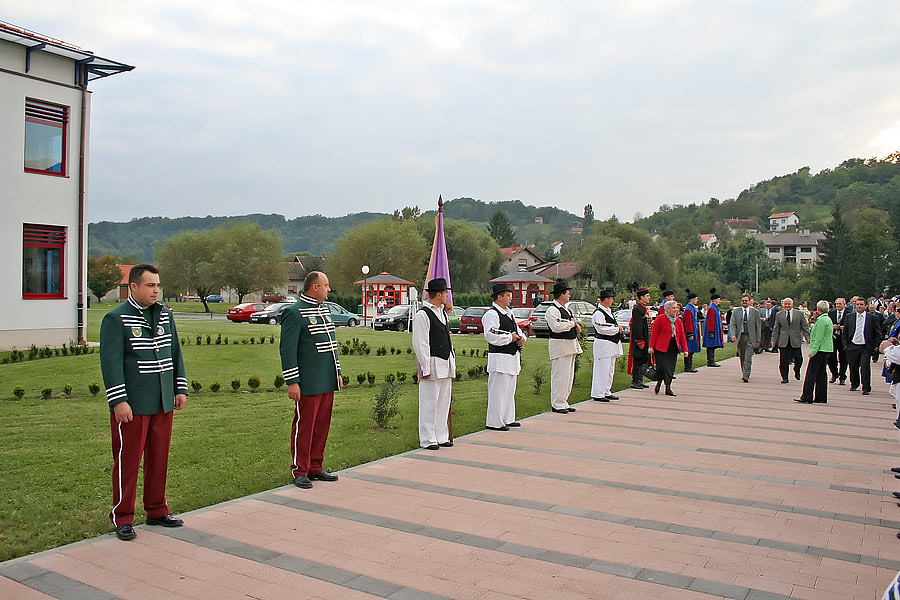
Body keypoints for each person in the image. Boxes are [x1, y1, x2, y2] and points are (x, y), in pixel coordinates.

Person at [99, 264, 188, 541]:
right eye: (150, 285)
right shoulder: (117, 319)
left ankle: (157, 509)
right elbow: (111, 364)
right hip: (133, 404)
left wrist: (179, 387)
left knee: (159, 458)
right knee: (128, 461)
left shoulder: (164, 315)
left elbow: (175, 351)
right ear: (133, 287)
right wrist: (119, 401)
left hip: (162, 400)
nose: (156, 290)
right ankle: (122, 516)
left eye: (158, 285)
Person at [281, 271, 343, 489]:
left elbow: (331, 345)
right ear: (314, 287)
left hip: (326, 378)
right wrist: (292, 381)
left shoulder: (324, 309)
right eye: (326, 285)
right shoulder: (294, 312)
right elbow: (287, 351)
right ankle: (300, 469)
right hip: (307, 381)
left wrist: (337, 372)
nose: (329, 289)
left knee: (321, 425)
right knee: (304, 426)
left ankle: (316, 465)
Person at [412, 278, 456, 448]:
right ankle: (427, 438)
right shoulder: (423, 314)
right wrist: (425, 366)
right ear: (438, 294)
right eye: (445, 293)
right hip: (433, 363)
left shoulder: (442, 313)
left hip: (445, 363)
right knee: (429, 403)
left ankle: (441, 435)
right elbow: (420, 343)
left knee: (443, 402)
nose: (447, 296)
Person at [483, 282, 526, 430]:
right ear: (499, 297)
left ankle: (508, 418)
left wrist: (521, 339)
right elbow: (491, 333)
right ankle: (495, 421)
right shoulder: (491, 314)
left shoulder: (510, 313)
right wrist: (510, 337)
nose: (510, 298)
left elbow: (518, 330)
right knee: (498, 392)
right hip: (499, 358)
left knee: (509, 391)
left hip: (512, 357)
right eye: (508, 295)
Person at [546, 280, 583, 413]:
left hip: (570, 345)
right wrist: (572, 324)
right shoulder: (552, 310)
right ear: (561, 295)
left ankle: (564, 401)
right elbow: (556, 326)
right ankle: (557, 403)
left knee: (568, 376)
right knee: (560, 376)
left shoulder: (565, 309)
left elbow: (569, 322)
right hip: (560, 347)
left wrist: (575, 325)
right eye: (568, 294)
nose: (569, 296)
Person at [795, 300, 834, 404]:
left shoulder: (821, 321)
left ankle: (807, 396)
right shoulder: (827, 319)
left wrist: (813, 351)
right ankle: (821, 396)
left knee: (811, 372)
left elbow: (819, 337)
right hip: (826, 348)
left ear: (818, 309)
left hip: (820, 349)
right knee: (821, 373)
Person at [648, 300, 689, 396]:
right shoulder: (660, 319)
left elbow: (682, 336)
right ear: (667, 309)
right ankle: (659, 382)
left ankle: (668, 387)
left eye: (676, 308)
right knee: (662, 368)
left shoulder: (678, 321)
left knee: (670, 368)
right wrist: (651, 346)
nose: (675, 310)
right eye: (673, 308)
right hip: (661, 348)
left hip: (673, 347)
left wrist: (686, 349)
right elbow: (654, 334)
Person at [843, 296, 882, 395]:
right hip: (853, 345)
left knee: (865, 367)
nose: (859, 306)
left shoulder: (872, 318)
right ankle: (854, 383)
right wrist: (846, 345)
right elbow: (845, 332)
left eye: (861, 304)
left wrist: (876, 345)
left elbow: (877, 333)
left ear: (866, 306)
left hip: (865, 346)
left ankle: (866, 387)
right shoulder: (849, 316)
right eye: (857, 304)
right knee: (853, 366)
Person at [591, 289, 623, 401]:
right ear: (606, 299)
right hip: (603, 344)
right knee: (601, 369)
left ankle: (606, 390)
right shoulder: (598, 313)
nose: (612, 301)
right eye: (611, 298)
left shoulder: (609, 311)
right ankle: (598, 393)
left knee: (609, 370)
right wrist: (616, 329)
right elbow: (602, 329)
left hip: (612, 344)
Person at [772, 297, 810, 384]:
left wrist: (807, 337)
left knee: (798, 358)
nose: (787, 305)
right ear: (783, 305)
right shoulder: (779, 314)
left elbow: (805, 326)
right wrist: (774, 340)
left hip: (795, 339)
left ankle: (797, 369)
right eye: (785, 304)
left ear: (792, 304)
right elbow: (776, 328)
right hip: (783, 340)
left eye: (789, 304)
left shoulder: (799, 314)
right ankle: (784, 377)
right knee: (783, 360)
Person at [729, 293, 761, 383]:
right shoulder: (736, 312)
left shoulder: (755, 312)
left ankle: (746, 375)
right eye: (743, 301)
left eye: (746, 301)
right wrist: (733, 335)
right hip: (741, 336)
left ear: (750, 301)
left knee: (748, 357)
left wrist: (758, 340)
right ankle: (744, 371)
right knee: (742, 356)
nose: (744, 302)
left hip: (750, 337)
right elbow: (733, 324)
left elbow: (758, 327)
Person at [628, 286, 652, 389]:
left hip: (646, 337)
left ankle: (640, 380)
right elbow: (637, 326)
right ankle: (635, 381)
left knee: (643, 360)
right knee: (638, 360)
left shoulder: (643, 308)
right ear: (641, 297)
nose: (649, 298)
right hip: (640, 338)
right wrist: (640, 340)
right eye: (647, 296)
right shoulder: (638, 309)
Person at [827, 298, 849, 385]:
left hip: (843, 338)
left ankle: (842, 376)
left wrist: (844, 327)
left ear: (844, 304)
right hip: (833, 337)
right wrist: (832, 326)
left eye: (840, 304)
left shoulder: (849, 313)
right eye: (837, 304)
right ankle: (834, 374)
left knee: (843, 358)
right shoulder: (831, 313)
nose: (838, 306)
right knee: (831, 357)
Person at [703, 289, 724, 367]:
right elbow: (711, 321)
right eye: (718, 299)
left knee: (712, 345)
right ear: (714, 300)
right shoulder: (712, 308)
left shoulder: (715, 307)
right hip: (712, 329)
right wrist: (711, 331)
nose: (720, 301)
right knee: (711, 345)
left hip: (715, 328)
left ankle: (711, 360)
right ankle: (710, 361)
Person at [682, 289, 701, 372]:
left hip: (694, 330)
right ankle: (687, 367)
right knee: (689, 349)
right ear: (692, 299)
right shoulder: (688, 310)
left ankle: (689, 366)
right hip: (690, 332)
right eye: (696, 298)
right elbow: (688, 322)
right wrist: (690, 334)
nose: (697, 300)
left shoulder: (692, 308)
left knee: (691, 350)